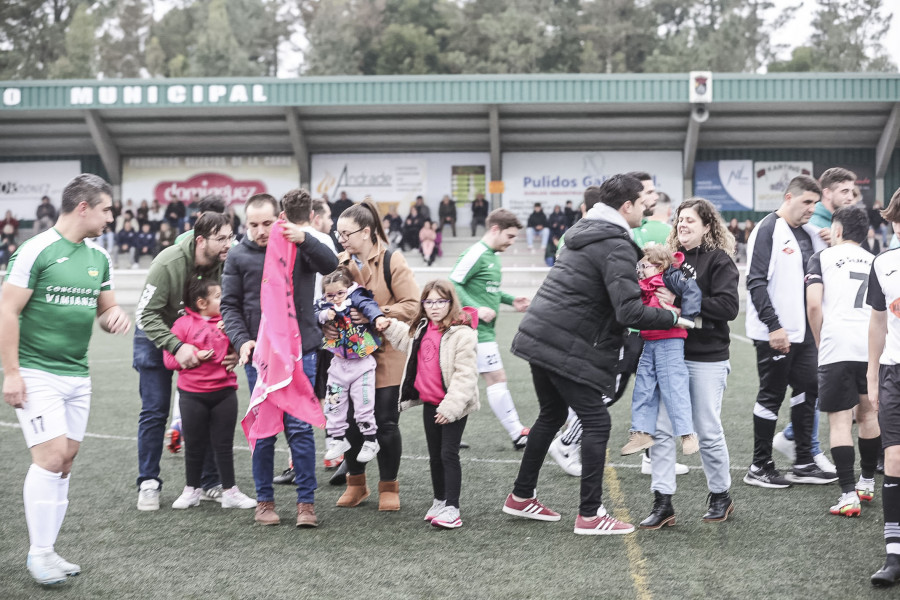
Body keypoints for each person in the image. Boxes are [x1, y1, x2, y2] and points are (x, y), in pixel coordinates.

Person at [502, 175, 679, 535]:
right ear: (626, 206)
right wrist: (673, 316)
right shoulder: (615, 244)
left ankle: (521, 496)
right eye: (643, 200)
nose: (648, 206)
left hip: (540, 335)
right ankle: (590, 514)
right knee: (597, 422)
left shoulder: (584, 231)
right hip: (562, 341)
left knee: (551, 414)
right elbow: (628, 312)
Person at [0, 173, 131, 585]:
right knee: (51, 457)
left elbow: (105, 310)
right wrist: (11, 374)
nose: (112, 217)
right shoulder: (34, 250)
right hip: (36, 371)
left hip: (77, 373)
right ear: (83, 207)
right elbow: (7, 311)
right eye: (107, 209)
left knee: (66, 460)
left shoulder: (100, 258)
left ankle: (49, 550)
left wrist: (114, 317)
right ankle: (38, 554)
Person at [642, 197, 740, 528]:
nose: (682, 225)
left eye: (690, 220)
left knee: (707, 429)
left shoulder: (719, 261)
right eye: (680, 220)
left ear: (707, 226)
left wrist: (681, 302)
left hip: (707, 358)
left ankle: (720, 495)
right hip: (670, 356)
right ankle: (663, 502)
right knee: (662, 429)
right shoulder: (669, 261)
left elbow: (728, 308)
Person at [133, 212, 235, 511]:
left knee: (204, 403)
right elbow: (145, 314)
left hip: (200, 337)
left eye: (231, 236)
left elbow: (233, 306)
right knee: (155, 410)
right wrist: (176, 346)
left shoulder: (228, 261)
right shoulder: (167, 263)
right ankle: (148, 482)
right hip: (157, 337)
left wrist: (234, 346)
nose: (229, 244)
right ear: (200, 240)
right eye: (222, 239)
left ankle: (209, 482)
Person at [744, 175, 837, 488]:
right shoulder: (768, 229)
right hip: (776, 332)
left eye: (814, 202)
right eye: (806, 202)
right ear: (788, 198)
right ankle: (759, 466)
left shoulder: (811, 234)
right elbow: (755, 281)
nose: (811, 208)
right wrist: (774, 326)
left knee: (808, 390)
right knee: (771, 395)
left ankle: (803, 462)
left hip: (804, 333)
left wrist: (833, 242)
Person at [331, 199, 420, 511]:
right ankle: (356, 484)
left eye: (346, 234)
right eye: (338, 234)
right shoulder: (341, 266)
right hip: (351, 357)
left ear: (366, 232)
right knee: (351, 423)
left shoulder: (393, 260)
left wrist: (376, 313)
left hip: (389, 356)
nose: (341, 239)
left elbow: (412, 305)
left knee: (384, 422)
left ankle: (388, 486)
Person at [773, 168, 858, 468]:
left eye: (852, 192)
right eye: (844, 191)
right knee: (815, 386)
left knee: (817, 387)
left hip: (829, 314)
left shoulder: (834, 225)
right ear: (827, 193)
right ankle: (807, 447)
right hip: (809, 317)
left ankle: (795, 437)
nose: (850, 196)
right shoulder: (814, 223)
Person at [382, 280, 479, 529]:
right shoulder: (423, 328)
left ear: (451, 303)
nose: (434, 307)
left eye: (440, 301)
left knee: (448, 454)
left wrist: (450, 408)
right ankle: (439, 500)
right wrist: (387, 323)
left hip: (453, 405)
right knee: (435, 457)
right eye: (429, 302)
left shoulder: (462, 334)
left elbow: (465, 375)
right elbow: (405, 337)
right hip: (430, 404)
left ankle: (453, 509)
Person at [804, 205, 880, 519]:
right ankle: (867, 482)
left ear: (836, 231)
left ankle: (848, 495)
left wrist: (822, 343)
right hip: (870, 348)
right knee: (868, 417)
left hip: (836, 346)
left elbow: (813, 306)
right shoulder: (877, 260)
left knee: (838, 423)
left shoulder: (820, 257)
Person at [163, 279, 257, 510]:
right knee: (194, 444)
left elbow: (243, 350)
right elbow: (168, 360)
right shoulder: (182, 325)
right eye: (218, 296)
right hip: (191, 395)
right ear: (202, 303)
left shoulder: (229, 322)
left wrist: (233, 340)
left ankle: (230, 491)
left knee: (223, 445)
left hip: (224, 393)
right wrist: (193, 354)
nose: (223, 299)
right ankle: (191, 490)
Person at [450, 208, 531, 449]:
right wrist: (476, 308)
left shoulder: (493, 255)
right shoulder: (476, 253)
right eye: (510, 236)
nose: (512, 242)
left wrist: (510, 300)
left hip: (481, 331)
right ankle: (517, 432)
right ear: (495, 229)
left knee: (459, 384)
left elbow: (490, 290)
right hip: (474, 330)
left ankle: (449, 437)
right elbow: (452, 284)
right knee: (496, 378)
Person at [621, 245, 701, 460]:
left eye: (644, 265)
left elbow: (692, 291)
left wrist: (688, 316)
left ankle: (687, 434)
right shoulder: (644, 285)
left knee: (673, 386)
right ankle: (641, 432)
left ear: (658, 266)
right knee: (643, 387)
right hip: (650, 341)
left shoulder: (671, 278)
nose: (640, 269)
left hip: (669, 340)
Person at [316, 268, 390, 463]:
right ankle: (337, 439)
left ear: (348, 289)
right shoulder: (324, 305)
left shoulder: (357, 298)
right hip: (338, 364)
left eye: (340, 293)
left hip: (362, 364)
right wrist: (324, 315)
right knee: (332, 403)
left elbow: (369, 305)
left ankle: (370, 440)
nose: (336, 298)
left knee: (363, 404)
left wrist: (378, 318)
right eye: (330, 295)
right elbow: (314, 314)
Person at [866, 187, 900, 587]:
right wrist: (872, 374)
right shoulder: (884, 263)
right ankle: (894, 556)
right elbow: (877, 321)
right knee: (893, 460)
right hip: (894, 372)